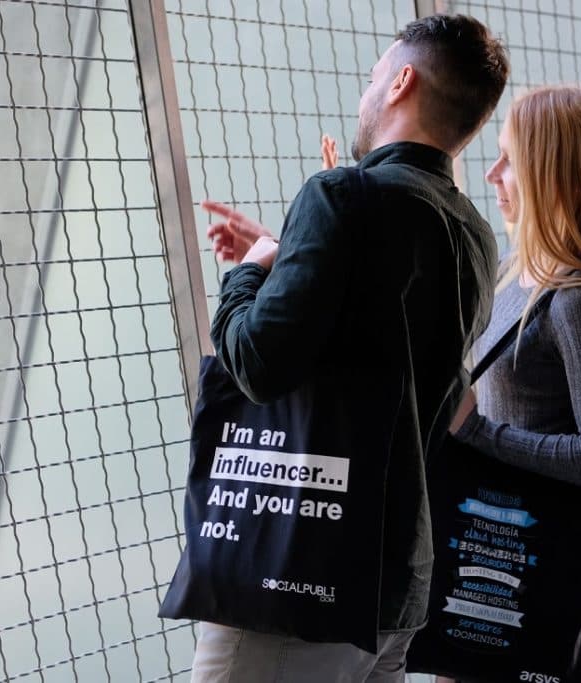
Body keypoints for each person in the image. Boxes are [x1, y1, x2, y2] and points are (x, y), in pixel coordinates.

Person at [190, 14, 509, 682]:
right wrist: (291, 255)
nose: (364, 94)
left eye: (372, 77)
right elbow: (380, 341)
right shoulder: (475, 234)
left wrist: (249, 269)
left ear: (400, 83)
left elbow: (254, 361)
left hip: (301, 579)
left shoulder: (341, 195)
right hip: (398, 587)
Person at [439, 86, 581, 683]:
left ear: (553, 175)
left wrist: (478, 432)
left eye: (510, 159)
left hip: (541, 572)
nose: (492, 173)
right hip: (496, 554)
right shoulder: (518, 275)